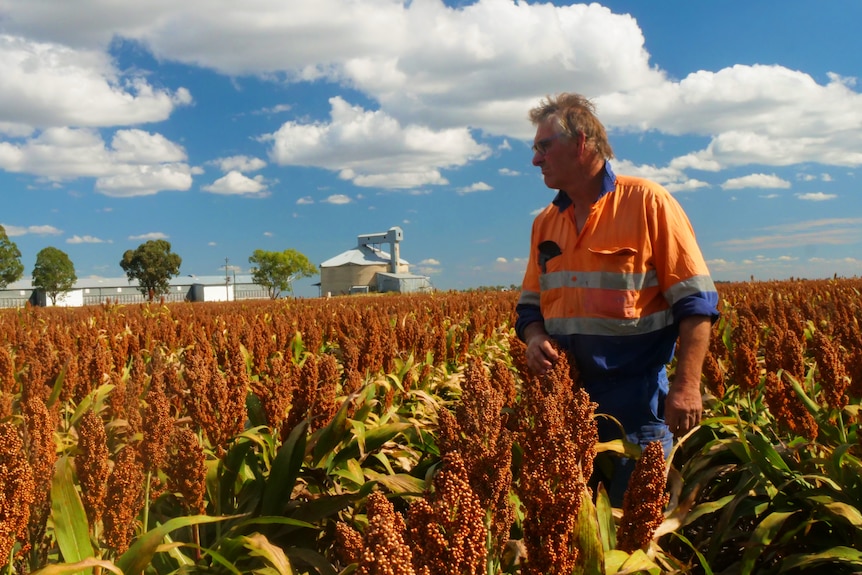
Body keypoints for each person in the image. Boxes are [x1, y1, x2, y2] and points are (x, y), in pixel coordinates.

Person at [515, 93, 719, 504]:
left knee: (631, 533)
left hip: (636, 406)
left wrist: (687, 386)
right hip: (566, 401)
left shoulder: (648, 203)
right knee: (574, 530)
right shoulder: (545, 222)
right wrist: (535, 338)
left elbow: (696, 304)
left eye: (543, 146)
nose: (536, 159)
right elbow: (529, 307)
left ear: (581, 143)